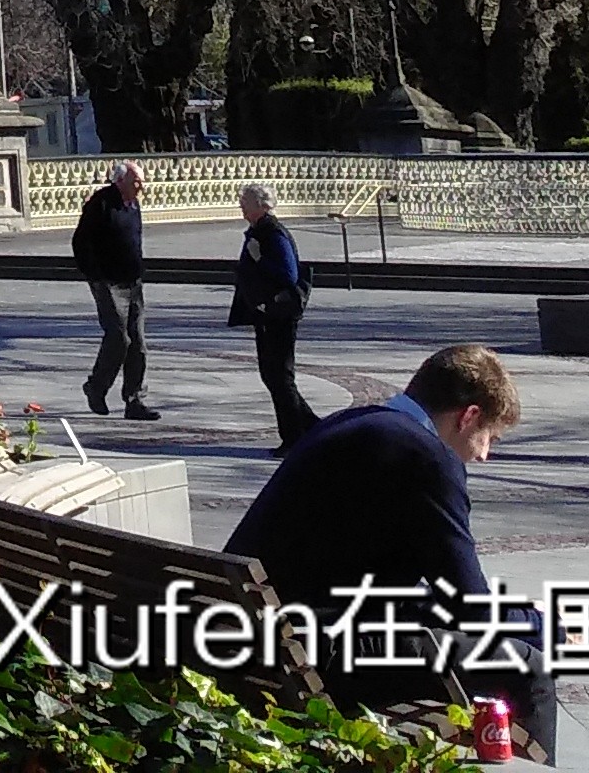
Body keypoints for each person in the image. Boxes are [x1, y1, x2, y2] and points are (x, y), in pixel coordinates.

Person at [226, 343, 546, 746]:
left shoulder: (351, 423)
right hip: (317, 650)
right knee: (527, 667)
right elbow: (472, 609)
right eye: (490, 438)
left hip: (258, 635)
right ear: (469, 416)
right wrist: (544, 626)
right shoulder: (427, 458)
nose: (484, 455)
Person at [226, 180, 319, 445]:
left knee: (280, 377)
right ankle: (310, 426)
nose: (241, 209)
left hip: (279, 315)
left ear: (260, 205)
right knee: (273, 375)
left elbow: (289, 274)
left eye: (245, 204)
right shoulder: (259, 230)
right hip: (266, 314)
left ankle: (293, 437)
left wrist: (259, 259)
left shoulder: (272, 232)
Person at [72, 159, 155, 419]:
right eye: (136, 182)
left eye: (141, 181)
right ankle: (96, 387)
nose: (141, 186)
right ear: (120, 181)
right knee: (119, 339)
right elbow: (80, 242)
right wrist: (95, 275)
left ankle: (135, 401)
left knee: (138, 343)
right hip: (108, 282)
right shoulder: (101, 204)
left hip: (133, 281)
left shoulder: (133, 203)